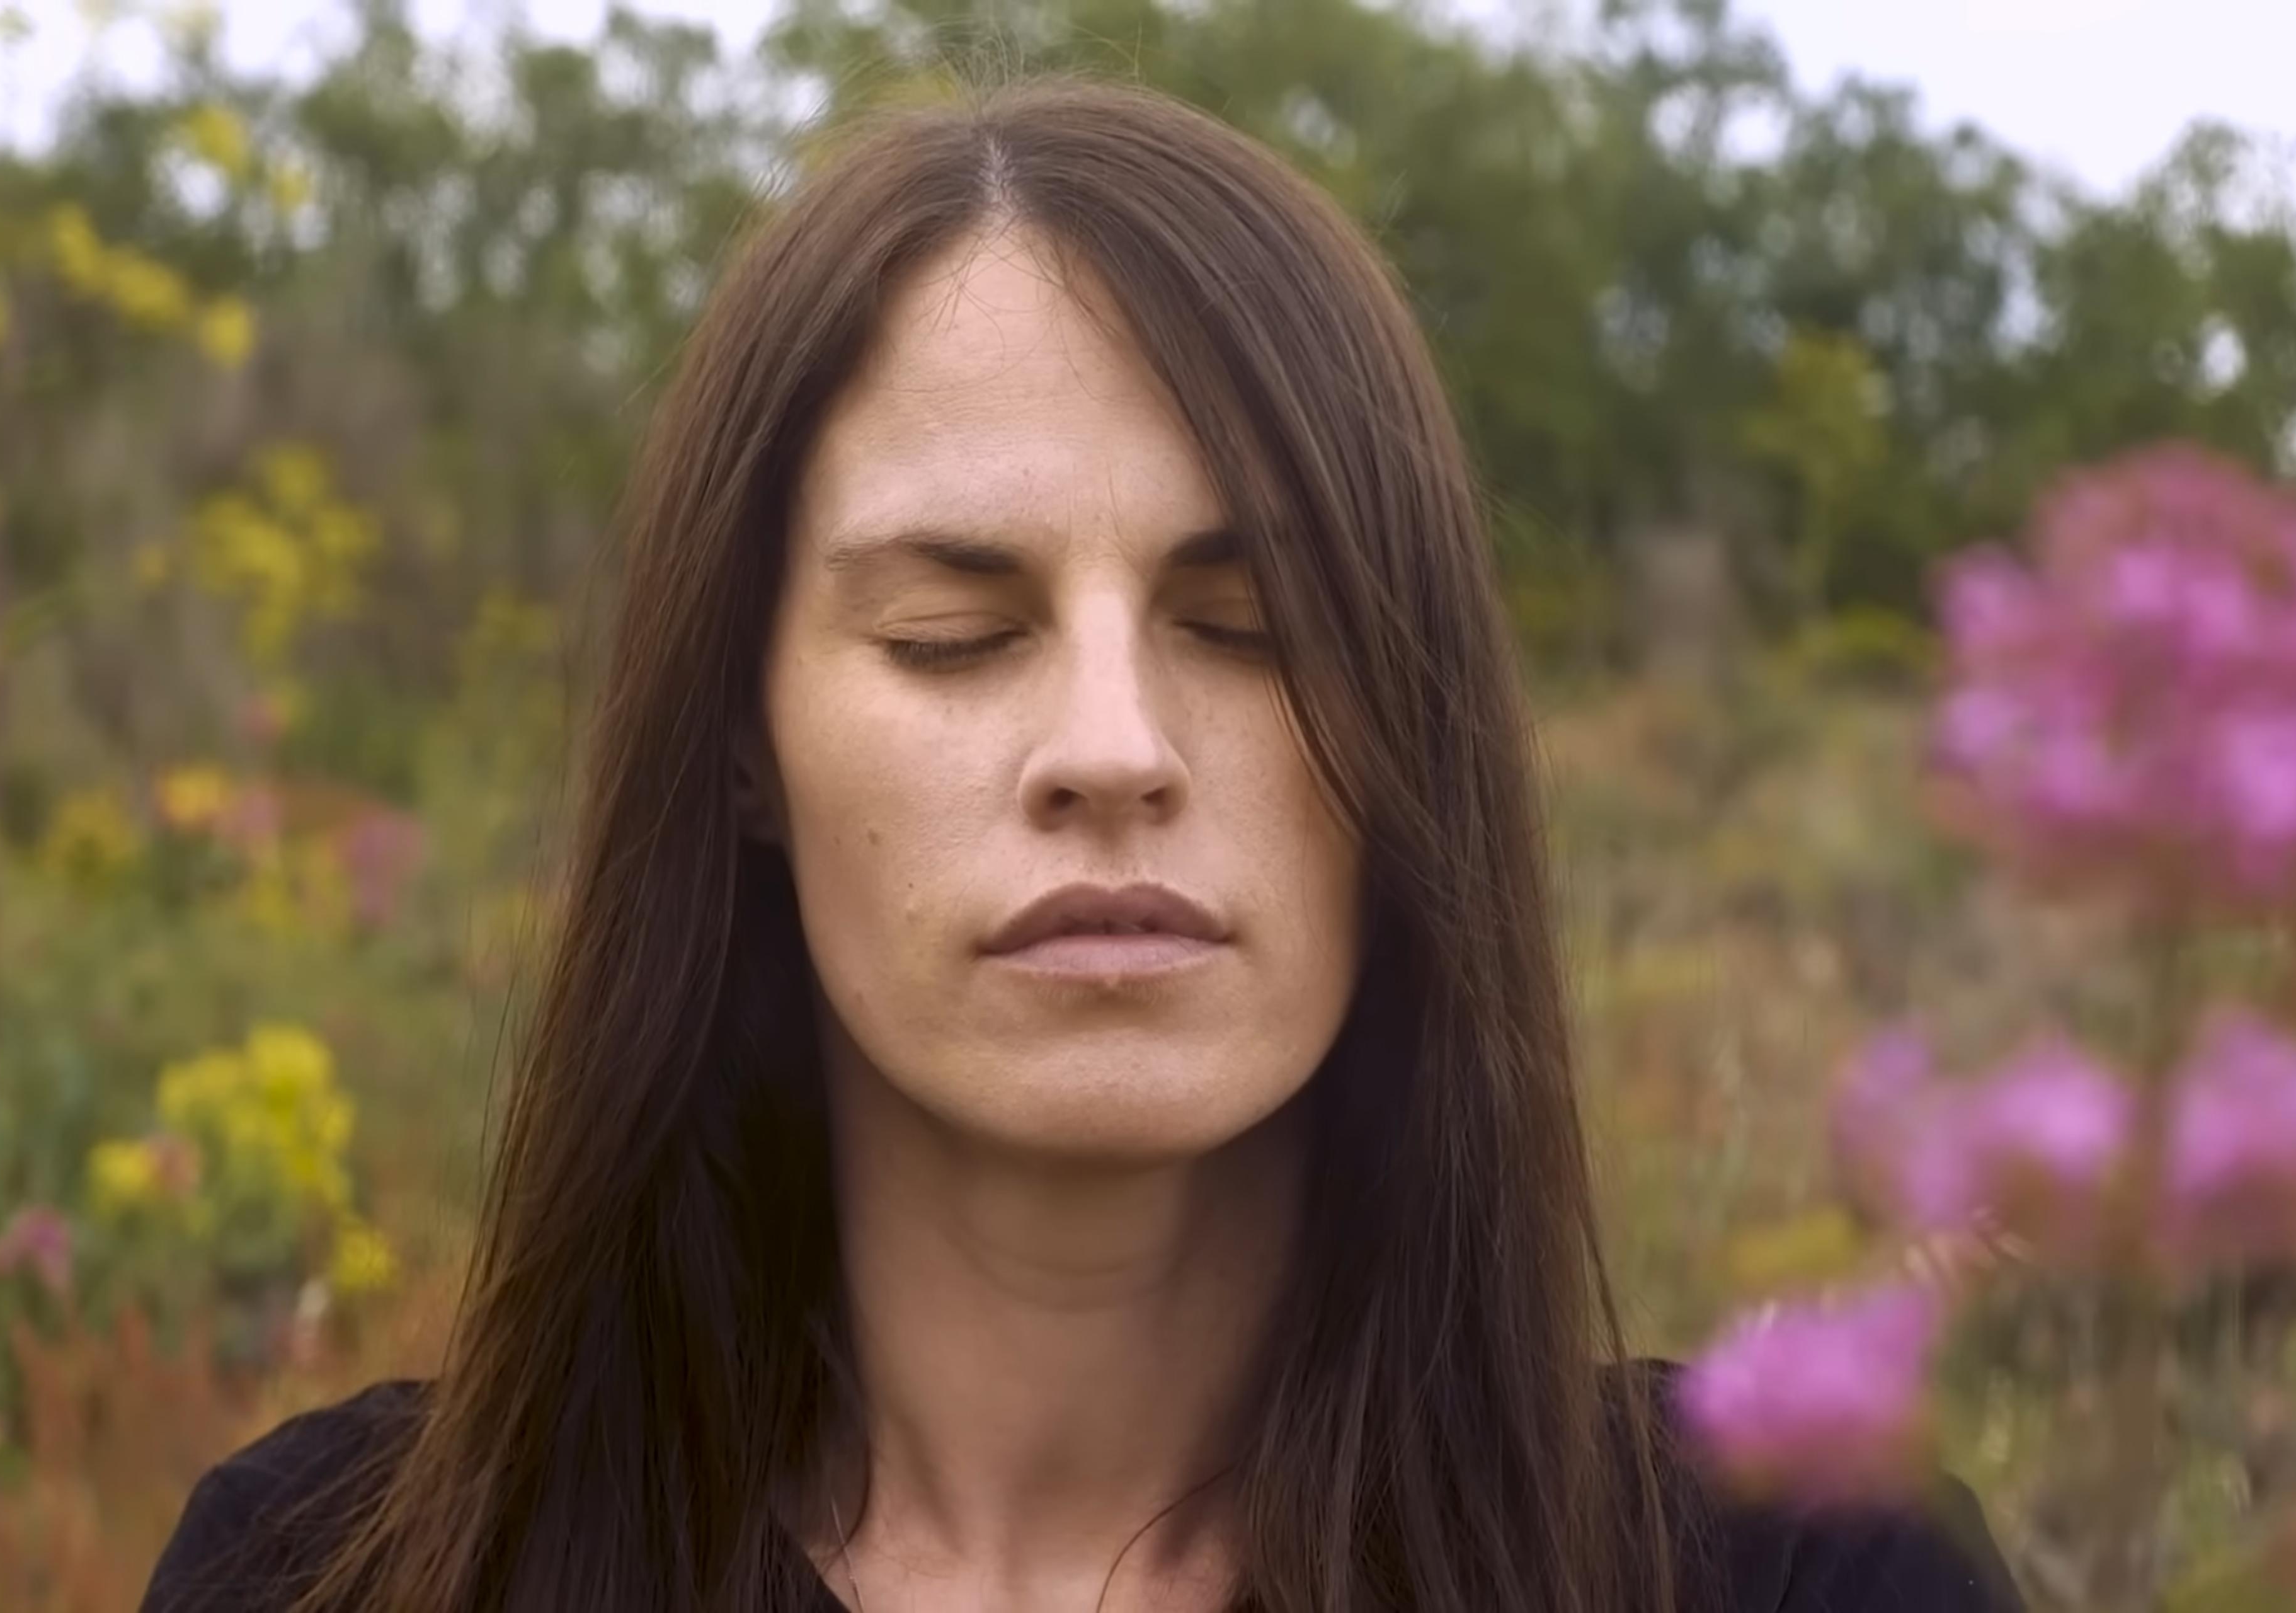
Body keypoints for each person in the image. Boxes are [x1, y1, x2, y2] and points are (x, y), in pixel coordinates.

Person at [139, 72, 2024, 1613]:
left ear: (1416, 726)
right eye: (956, 634)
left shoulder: (1800, 1576)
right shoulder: (329, 1574)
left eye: (1250, 626)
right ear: (740, 745)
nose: (1111, 753)